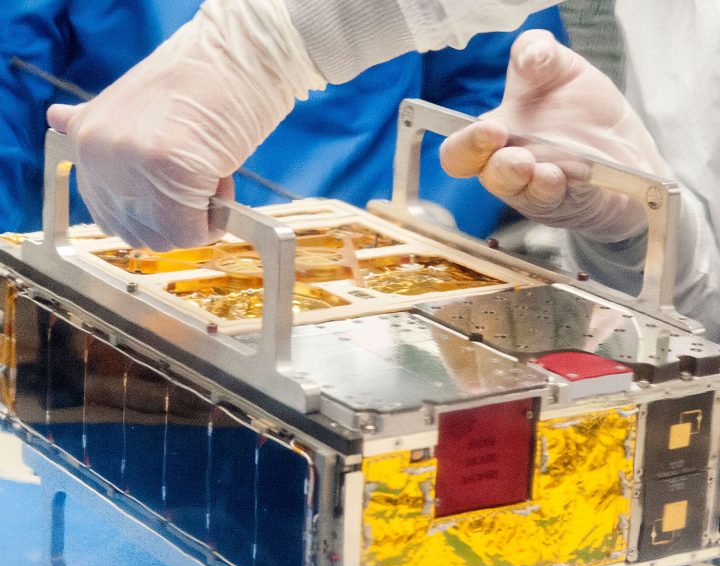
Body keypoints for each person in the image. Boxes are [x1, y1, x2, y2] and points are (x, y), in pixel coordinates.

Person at [34, 0, 720, 339]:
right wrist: (638, 239)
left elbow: (480, 74)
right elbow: (701, 312)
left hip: (365, 297)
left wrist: (265, 42)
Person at [0, 2, 566, 239]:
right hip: (119, 254)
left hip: (359, 257)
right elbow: (13, 83)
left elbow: (493, 83)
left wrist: (426, 217)